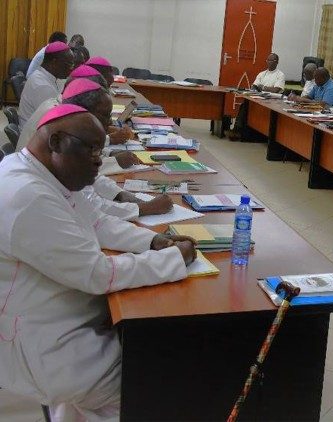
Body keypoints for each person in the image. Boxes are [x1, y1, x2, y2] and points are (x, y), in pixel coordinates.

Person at [0, 104, 196, 421]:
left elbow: (97, 223)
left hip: (59, 312)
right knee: (147, 380)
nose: (97, 160)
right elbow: (97, 273)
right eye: (90, 148)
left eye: (100, 149)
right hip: (45, 339)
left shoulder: (43, 173)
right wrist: (174, 259)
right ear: (56, 142)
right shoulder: (26, 194)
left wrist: (153, 241)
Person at [17, 78, 173, 220]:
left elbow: (93, 212)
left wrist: (119, 194)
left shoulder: (67, 124)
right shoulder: (59, 125)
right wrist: (143, 208)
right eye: (105, 115)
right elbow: (92, 209)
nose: (110, 122)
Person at [227, 53, 285, 141]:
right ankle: (237, 131)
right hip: (260, 97)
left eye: (271, 60)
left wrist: (263, 87)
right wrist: (255, 89)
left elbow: (276, 90)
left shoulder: (280, 75)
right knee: (245, 105)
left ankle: (238, 131)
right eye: (267, 60)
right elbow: (254, 86)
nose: (268, 62)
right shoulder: (262, 74)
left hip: (272, 100)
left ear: (276, 62)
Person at [18, 41, 75, 128]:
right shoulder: (42, 86)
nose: (71, 69)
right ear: (54, 62)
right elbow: (56, 120)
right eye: (69, 64)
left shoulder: (42, 76)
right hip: (33, 136)